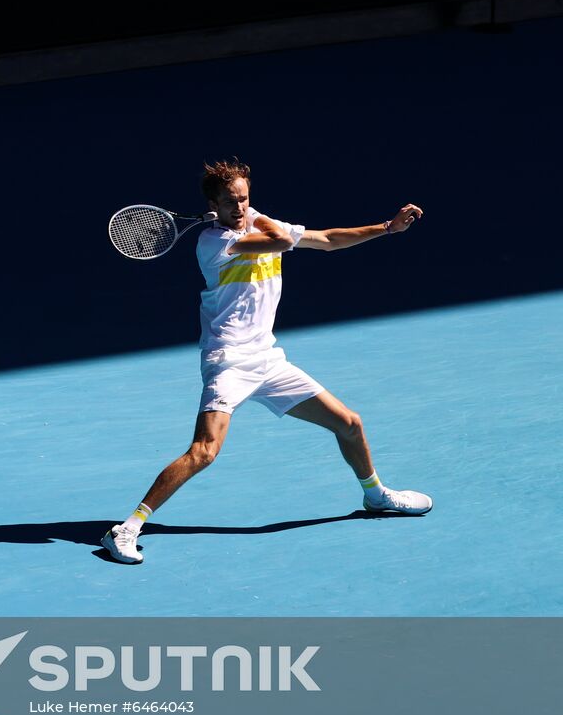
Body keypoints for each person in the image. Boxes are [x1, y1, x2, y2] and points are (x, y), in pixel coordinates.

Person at [101, 160, 432, 565]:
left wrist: (386, 228)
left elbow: (327, 239)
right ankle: (126, 528)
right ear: (213, 204)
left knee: (350, 423)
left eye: (244, 199)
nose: (240, 207)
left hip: (269, 361)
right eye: (230, 201)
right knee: (204, 451)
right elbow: (280, 243)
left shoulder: (256, 223)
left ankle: (376, 495)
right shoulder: (214, 242)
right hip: (229, 361)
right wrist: (260, 219)